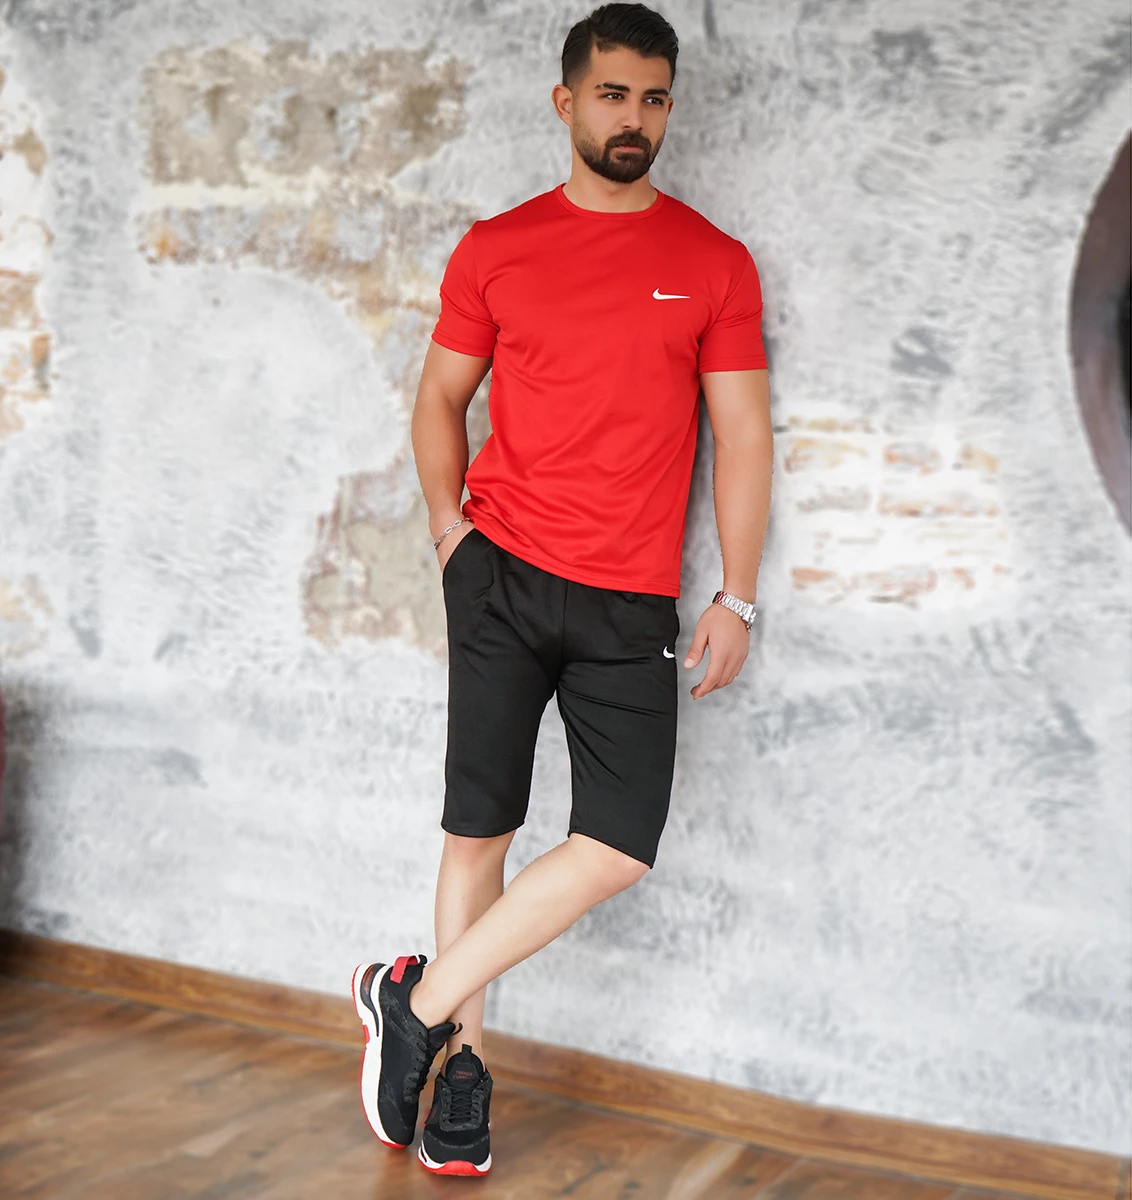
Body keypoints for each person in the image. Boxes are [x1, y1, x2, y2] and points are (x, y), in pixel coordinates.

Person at [352, 2, 771, 1178]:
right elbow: (440, 399)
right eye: (612, 94)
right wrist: (449, 533)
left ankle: (412, 1004)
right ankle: (461, 1076)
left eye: (654, 98)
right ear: (566, 101)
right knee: (478, 829)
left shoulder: (713, 263)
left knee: (617, 845)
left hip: (630, 602)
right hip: (500, 575)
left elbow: (743, 437)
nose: (635, 118)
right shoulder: (498, 248)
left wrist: (736, 596)